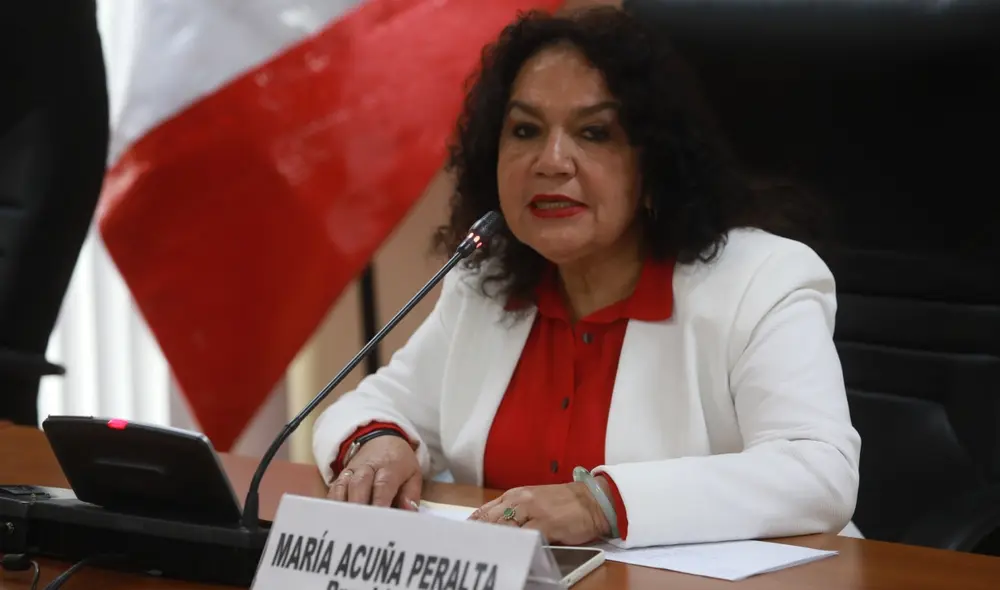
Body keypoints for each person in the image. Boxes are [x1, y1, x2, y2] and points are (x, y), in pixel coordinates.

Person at [312, 6, 861, 549]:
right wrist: (381, 446)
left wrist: (597, 503)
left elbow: (817, 472)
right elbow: (374, 408)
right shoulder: (488, 283)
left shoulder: (760, 279)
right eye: (524, 130)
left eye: (594, 132)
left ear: (654, 166)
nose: (551, 161)